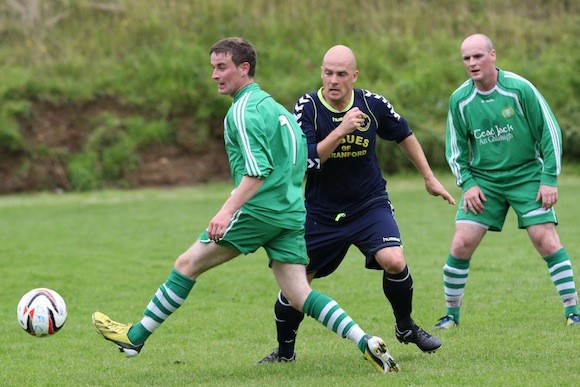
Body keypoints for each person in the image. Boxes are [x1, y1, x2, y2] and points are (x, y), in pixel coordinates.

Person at [92, 37, 400, 374]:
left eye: (221, 67)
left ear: (244, 68)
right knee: (299, 293)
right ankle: (365, 341)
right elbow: (300, 159)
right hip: (290, 212)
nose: (215, 75)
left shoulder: (242, 111)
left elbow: (256, 171)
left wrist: (226, 212)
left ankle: (134, 337)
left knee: (186, 264)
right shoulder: (274, 107)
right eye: (213, 67)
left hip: (258, 212)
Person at [259, 45, 456, 364]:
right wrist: (342, 129)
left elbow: (403, 133)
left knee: (394, 260)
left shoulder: (372, 103)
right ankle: (285, 353)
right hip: (321, 212)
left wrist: (429, 177)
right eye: (327, 72)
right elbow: (310, 161)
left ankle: (405, 327)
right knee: (298, 286)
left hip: (369, 205)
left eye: (340, 74)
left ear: (354, 76)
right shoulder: (307, 107)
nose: (333, 80)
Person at [434, 34, 579, 330]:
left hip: (526, 174)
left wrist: (549, 178)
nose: (472, 63)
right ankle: (451, 316)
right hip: (484, 181)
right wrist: (468, 183)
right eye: (466, 58)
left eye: (477, 56)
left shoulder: (519, 88)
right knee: (461, 243)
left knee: (546, 241)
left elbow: (549, 132)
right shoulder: (460, 100)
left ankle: (573, 312)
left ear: (492, 56)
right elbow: (456, 149)